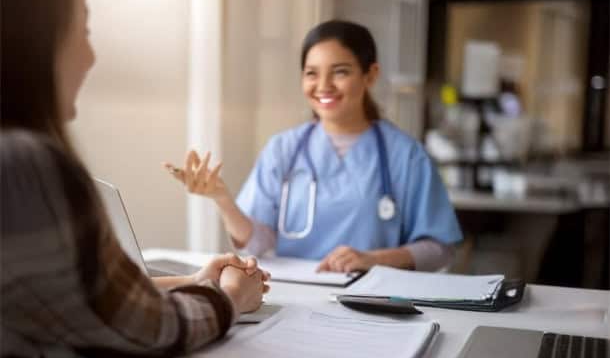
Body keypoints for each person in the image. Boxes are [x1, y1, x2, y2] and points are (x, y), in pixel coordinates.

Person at [0, 0, 269, 358]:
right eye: (85, 31)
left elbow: (64, 296)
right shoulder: (26, 166)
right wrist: (231, 297)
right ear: (39, 40)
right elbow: (147, 328)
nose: (90, 57)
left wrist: (195, 281)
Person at [165, 20, 462, 273]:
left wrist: (374, 259)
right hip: (295, 296)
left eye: (340, 71)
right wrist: (222, 199)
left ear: (370, 75)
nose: (323, 86)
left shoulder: (406, 155)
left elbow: (440, 248)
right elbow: (257, 244)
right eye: (311, 73)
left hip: (372, 300)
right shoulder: (283, 148)